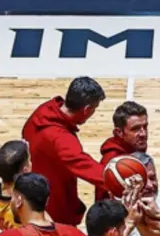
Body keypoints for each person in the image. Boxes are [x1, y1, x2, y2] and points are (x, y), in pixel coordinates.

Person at [21, 77, 108, 226]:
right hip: (53, 205)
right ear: (87, 109)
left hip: (30, 194)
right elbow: (83, 164)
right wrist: (117, 179)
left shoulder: (44, 111)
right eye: (94, 108)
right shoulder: (60, 138)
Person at [96, 101, 149, 201]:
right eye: (135, 129)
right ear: (119, 132)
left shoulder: (133, 148)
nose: (143, 134)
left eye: (145, 127)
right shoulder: (112, 162)